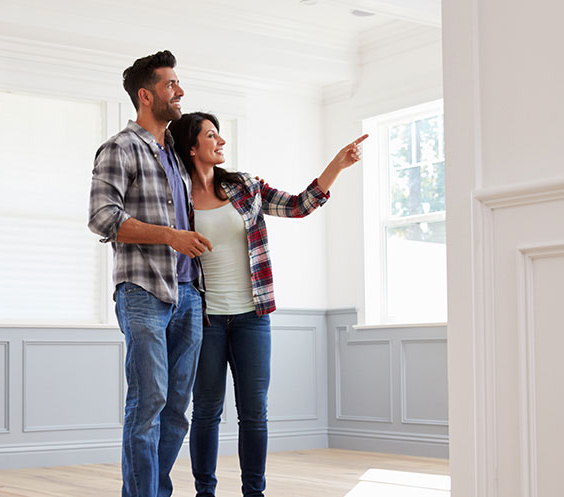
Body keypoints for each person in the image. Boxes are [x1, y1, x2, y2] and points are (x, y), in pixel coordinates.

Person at [168, 111, 367, 497]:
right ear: (192, 148)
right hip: (204, 319)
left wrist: (337, 166)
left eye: (220, 134)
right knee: (206, 412)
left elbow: (298, 205)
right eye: (211, 136)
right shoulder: (176, 197)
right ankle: (204, 492)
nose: (221, 141)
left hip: (252, 317)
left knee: (254, 413)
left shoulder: (244, 186)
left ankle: (253, 493)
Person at [87, 50, 213, 497]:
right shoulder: (120, 148)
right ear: (146, 95)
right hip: (143, 291)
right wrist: (170, 236)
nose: (180, 91)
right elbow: (102, 217)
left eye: (179, 84)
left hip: (188, 294)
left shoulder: (176, 157)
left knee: (177, 408)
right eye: (170, 85)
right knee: (148, 403)